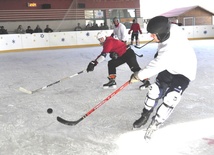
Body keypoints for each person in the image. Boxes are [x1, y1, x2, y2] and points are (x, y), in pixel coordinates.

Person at [129, 16, 197, 140]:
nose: (151, 37)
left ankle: (156, 123)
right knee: (154, 90)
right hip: (170, 66)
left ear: (162, 33)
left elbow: (153, 68)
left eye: (153, 34)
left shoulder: (169, 51)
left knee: (171, 98)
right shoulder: (172, 29)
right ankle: (145, 115)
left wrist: (137, 76)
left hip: (185, 71)